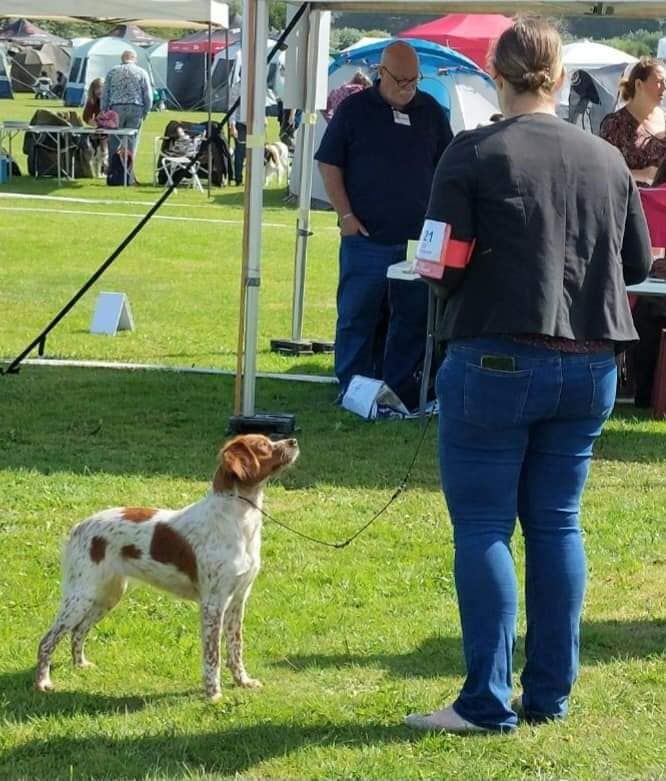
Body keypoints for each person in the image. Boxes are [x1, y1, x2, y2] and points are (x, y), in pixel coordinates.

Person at [404, 17, 652, 735]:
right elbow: (636, 264)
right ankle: (549, 694)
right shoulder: (606, 158)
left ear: (495, 73)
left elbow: (440, 262)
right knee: (557, 524)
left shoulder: (472, 151)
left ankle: (484, 699)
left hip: (498, 356)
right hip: (592, 363)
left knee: (483, 524)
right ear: (561, 74)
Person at [315, 40, 453, 409]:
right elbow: (329, 164)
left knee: (408, 321)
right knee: (358, 315)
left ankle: (400, 389)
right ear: (381, 72)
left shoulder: (432, 112)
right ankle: (352, 388)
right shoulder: (354, 109)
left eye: (414, 80)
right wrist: (345, 215)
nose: (408, 87)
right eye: (401, 80)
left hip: (416, 242)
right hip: (366, 236)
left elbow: (448, 167)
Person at [599, 57, 666, 185]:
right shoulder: (614, 125)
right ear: (639, 84)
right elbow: (603, 171)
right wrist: (642, 174)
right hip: (633, 201)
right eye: (659, 81)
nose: (664, 87)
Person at [101, 49, 152, 167]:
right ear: (135, 59)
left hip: (116, 109)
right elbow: (147, 94)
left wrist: (104, 111)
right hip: (136, 108)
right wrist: (146, 111)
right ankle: (128, 172)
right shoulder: (141, 72)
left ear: (122, 58)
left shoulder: (112, 71)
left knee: (114, 142)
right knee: (131, 142)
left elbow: (105, 94)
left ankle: (113, 170)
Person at [83, 78, 108, 177]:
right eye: (96, 89)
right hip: (99, 132)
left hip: (112, 130)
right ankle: (98, 171)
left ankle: (105, 168)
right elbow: (86, 116)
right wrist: (95, 124)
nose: (99, 91)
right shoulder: (92, 101)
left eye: (101, 88)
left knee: (105, 151)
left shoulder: (111, 99)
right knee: (99, 152)